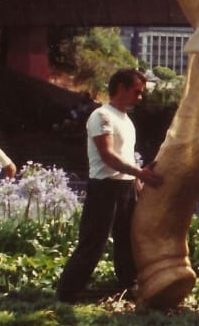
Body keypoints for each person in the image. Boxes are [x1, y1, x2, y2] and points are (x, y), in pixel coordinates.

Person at [56, 68, 163, 302]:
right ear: (122, 88)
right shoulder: (101, 116)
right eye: (137, 91)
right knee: (93, 241)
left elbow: (127, 155)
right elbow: (108, 155)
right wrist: (141, 173)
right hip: (104, 187)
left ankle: (127, 284)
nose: (140, 97)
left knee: (127, 240)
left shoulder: (126, 120)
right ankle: (67, 292)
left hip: (126, 186)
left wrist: (137, 182)